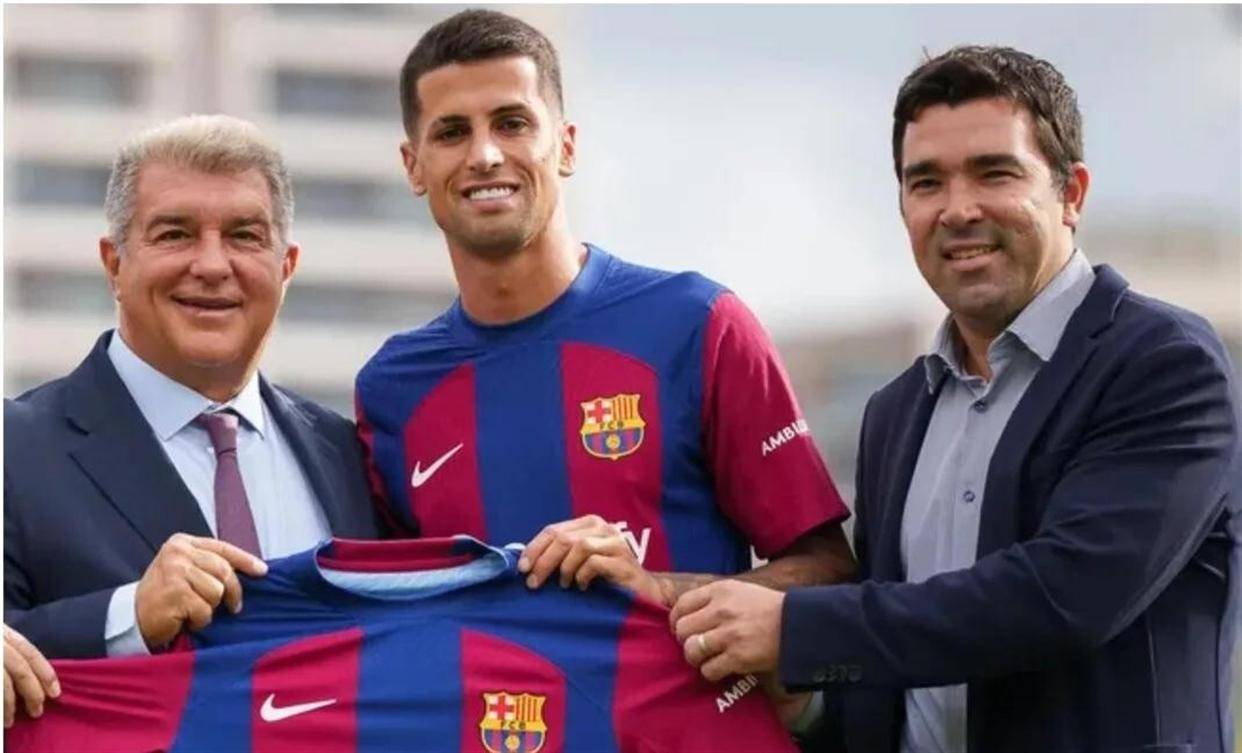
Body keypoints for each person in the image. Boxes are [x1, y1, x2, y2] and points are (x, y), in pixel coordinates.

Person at [669, 45, 1241, 753]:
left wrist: (798, 631)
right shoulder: (895, 413)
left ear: (1072, 194)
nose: (957, 209)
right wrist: (804, 700)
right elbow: (897, 670)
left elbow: (1061, 598)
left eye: (994, 173)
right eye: (927, 182)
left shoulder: (1163, 363)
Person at [355, 9, 855, 616]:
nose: (484, 154)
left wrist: (656, 590)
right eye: (452, 132)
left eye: (512, 123)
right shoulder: (392, 389)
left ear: (565, 146)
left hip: (675, 685)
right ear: (413, 165)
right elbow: (384, 617)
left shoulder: (699, 325)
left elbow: (831, 575)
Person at [4, 115, 382, 670]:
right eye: (174, 234)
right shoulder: (14, 450)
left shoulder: (353, 456)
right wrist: (128, 616)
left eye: (244, 236)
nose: (210, 265)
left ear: (287, 267)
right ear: (114, 264)